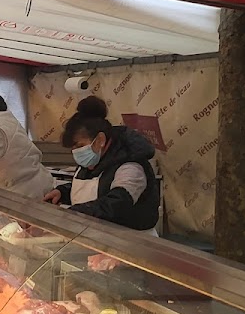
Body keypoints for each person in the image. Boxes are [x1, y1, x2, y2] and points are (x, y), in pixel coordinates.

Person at [45, 96, 161, 231]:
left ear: (100, 140)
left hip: (130, 239)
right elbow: (94, 188)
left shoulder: (131, 166)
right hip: (96, 235)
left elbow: (117, 203)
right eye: (73, 148)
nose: (76, 152)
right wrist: (62, 192)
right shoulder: (95, 159)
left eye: (80, 146)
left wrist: (74, 213)